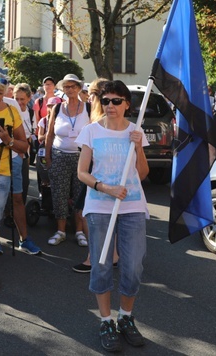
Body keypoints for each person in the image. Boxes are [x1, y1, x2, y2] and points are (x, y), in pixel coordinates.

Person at [76, 80, 150, 352]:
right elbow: (82, 172)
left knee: (133, 266)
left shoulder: (135, 131)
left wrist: (139, 146)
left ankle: (126, 318)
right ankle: (106, 320)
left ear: (127, 104)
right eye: (105, 100)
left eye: (116, 101)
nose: (110, 106)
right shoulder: (91, 132)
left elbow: (142, 174)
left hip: (132, 206)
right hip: (99, 206)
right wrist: (104, 187)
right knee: (102, 264)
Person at [0, 71, 40, 293]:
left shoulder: (12, 111)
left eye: (0, 92)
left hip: (1, 172)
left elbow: (25, 147)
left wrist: (9, 140)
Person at [45, 73, 90, 247]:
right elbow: (49, 135)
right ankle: (61, 231)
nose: (70, 90)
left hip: (82, 157)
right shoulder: (56, 109)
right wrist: (48, 157)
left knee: (80, 195)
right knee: (59, 193)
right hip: (59, 155)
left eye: (73, 86)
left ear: (79, 88)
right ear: (62, 89)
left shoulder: (88, 108)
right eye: (66, 87)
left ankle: (79, 231)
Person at [72, 78, 109, 274]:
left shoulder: (100, 118)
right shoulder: (99, 116)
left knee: (86, 214)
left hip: (95, 173)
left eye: (91, 94)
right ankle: (113, 256)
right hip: (100, 172)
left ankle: (92, 257)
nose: (89, 97)